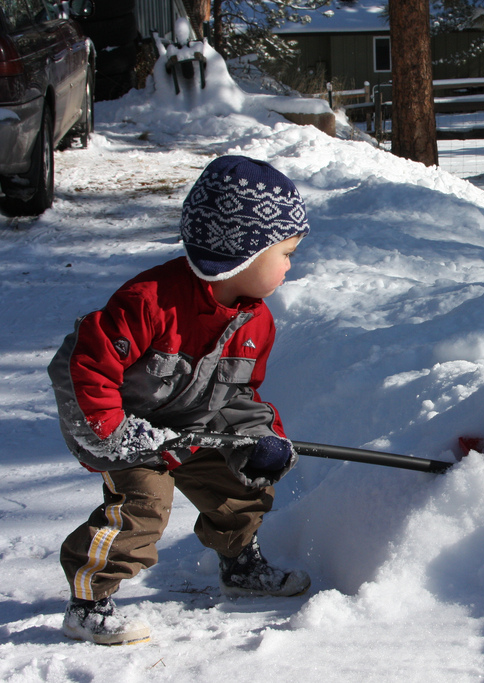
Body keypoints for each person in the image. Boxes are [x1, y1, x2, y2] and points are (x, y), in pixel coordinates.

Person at [47, 155, 311, 646]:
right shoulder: (150, 301)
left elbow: (238, 395)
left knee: (241, 486)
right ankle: (88, 602)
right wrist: (114, 433)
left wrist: (260, 436)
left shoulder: (257, 324)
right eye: (287, 253)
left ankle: (239, 565)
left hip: (191, 425)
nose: (291, 266)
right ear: (244, 252)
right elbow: (88, 366)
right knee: (143, 507)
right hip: (127, 427)